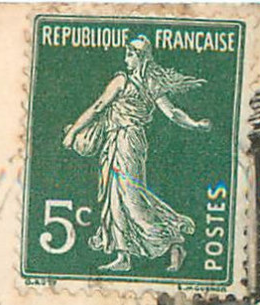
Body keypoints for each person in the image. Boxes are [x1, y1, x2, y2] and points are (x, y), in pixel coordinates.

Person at [61, 36, 210, 273]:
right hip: (115, 141)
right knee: (114, 197)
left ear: (141, 57)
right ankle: (123, 255)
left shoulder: (136, 82)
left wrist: (194, 124)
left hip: (129, 142)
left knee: (131, 197)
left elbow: (171, 112)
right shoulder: (131, 80)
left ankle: (172, 242)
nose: (126, 59)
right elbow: (100, 106)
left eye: (130, 54)